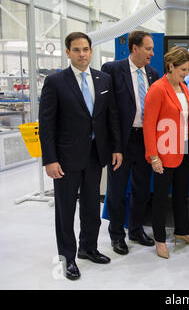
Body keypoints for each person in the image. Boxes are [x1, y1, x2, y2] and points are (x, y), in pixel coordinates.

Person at [39, 32, 122, 280]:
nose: (82, 54)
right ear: (68, 52)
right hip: (65, 158)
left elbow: (112, 117)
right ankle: (68, 258)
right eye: (76, 50)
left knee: (90, 207)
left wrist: (116, 148)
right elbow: (46, 125)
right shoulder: (55, 82)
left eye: (85, 49)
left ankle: (88, 247)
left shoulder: (103, 79)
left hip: (96, 155)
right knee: (65, 210)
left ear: (91, 51)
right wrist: (50, 159)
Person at [101, 31, 159, 255]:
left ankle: (135, 230)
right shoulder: (113, 70)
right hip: (121, 142)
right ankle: (117, 234)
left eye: (152, 49)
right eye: (148, 48)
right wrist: (114, 145)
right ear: (134, 48)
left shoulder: (153, 74)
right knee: (117, 190)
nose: (152, 53)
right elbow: (108, 110)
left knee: (142, 189)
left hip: (145, 140)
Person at [143, 46, 189, 259]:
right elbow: (149, 126)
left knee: (181, 196)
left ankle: (183, 231)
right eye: (182, 70)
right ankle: (159, 240)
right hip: (163, 153)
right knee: (160, 199)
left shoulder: (184, 87)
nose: (186, 74)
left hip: (183, 151)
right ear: (170, 66)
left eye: (187, 70)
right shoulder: (158, 89)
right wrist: (154, 156)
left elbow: (184, 122)